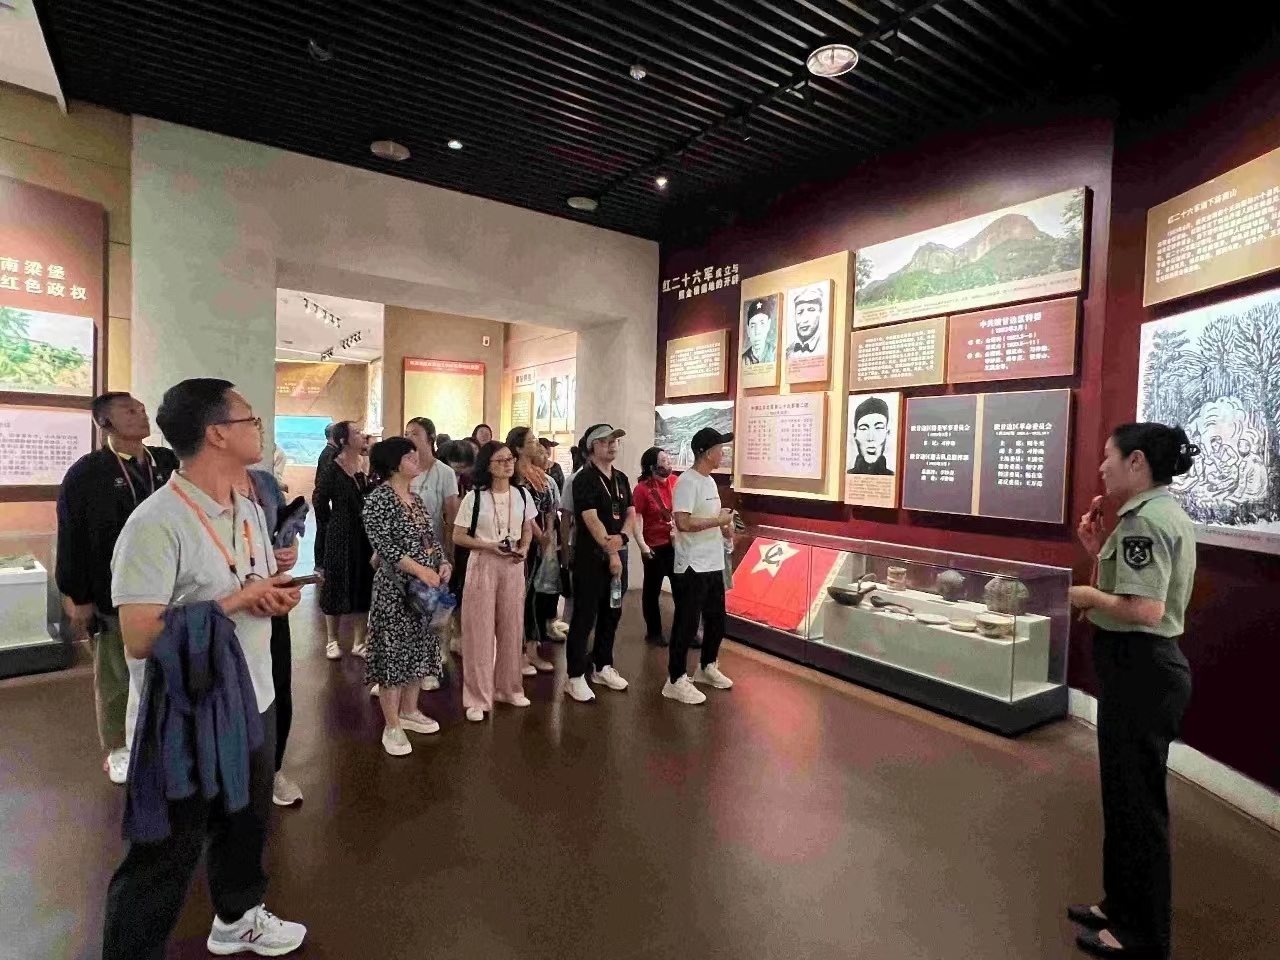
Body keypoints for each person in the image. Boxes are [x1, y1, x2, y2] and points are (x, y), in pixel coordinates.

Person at [102, 378, 306, 958]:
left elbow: (250, 582)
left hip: (254, 696)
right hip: (187, 712)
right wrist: (238, 600)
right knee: (166, 851)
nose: (259, 427)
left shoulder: (248, 509)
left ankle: (237, 918)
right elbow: (140, 636)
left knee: (246, 821)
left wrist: (271, 594)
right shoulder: (156, 523)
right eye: (249, 418)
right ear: (217, 434)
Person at [1067, 423, 1199, 960]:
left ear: (1137, 461)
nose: (1102, 467)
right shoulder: (1150, 514)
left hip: (1142, 671)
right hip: (1135, 671)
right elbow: (1133, 588)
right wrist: (1097, 549)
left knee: (1139, 809)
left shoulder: (1145, 519)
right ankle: (1119, 906)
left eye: (1110, 457)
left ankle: (1143, 936)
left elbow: (1145, 609)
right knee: (1122, 797)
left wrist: (1085, 595)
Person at [56, 392, 178, 785]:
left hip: (169, 585)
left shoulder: (167, 462)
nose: (141, 414)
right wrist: (77, 594)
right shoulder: (86, 473)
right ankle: (118, 747)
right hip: (113, 590)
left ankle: (163, 738)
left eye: (141, 409)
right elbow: (71, 536)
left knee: (166, 666)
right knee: (115, 673)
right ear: (104, 423)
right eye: (129, 411)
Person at [361, 437, 450, 756]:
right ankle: (392, 724)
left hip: (425, 590)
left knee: (419, 648)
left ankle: (410, 711)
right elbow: (384, 546)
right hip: (395, 589)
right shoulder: (379, 499)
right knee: (393, 652)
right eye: (409, 456)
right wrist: (419, 569)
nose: (416, 460)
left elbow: (430, 538)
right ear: (394, 463)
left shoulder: (416, 499)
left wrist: (442, 561)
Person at [453, 441, 536, 721]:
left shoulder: (522, 494)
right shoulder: (474, 498)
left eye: (510, 459)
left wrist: (524, 548)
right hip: (484, 563)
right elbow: (458, 536)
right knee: (479, 631)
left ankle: (509, 688)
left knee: (512, 627)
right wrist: (488, 545)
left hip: (513, 565)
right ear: (487, 466)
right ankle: (477, 697)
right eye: (500, 461)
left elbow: (527, 528)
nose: (508, 464)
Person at [236, 466, 303, 808]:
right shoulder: (199, 490)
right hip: (229, 607)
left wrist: (289, 550)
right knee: (230, 694)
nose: (258, 438)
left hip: (271, 599)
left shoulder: (263, 482)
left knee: (277, 686)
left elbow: (284, 532)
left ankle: (273, 769)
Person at [564, 424, 637, 702]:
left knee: (612, 612)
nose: (612, 445)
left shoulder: (621, 478)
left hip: (618, 552)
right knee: (585, 616)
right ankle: (574, 676)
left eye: (615, 441)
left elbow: (631, 513)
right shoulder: (584, 479)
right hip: (592, 558)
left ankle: (602, 665)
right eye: (605, 441)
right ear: (592, 446)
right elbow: (591, 519)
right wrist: (612, 551)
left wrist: (623, 538)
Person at [666, 428, 736, 705]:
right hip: (692, 564)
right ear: (706, 453)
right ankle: (675, 679)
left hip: (713, 562)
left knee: (717, 620)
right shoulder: (687, 482)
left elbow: (711, 518)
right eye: (719, 449)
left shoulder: (710, 482)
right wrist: (718, 521)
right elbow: (683, 522)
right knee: (686, 623)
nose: (723, 453)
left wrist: (725, 527)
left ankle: (707, 666)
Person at [406, 417, 461, 688]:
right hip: (405, 552)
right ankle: (408, 665)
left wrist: (448, 554)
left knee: (432, 610)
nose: (409, 437)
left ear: (430, 438)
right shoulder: (404, 468)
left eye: (415, 433)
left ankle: (433, 663)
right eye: (406, 433)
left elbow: (451, 516)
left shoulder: (444, 473)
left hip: (433, 550)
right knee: (407, 610)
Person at [312, 422, 373, 660]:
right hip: (339, 532)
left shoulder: (366, 464)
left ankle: (359, 641)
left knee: (362, 583)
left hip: (363, 533)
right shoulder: (332, 467)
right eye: (356, 433)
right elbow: (319, 499)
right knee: (335, 583)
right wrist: (328, 524)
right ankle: (332, 640)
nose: (362, 435)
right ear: (344, 440)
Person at [508, 427, 558, 672]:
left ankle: (531, 649)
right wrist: (539, 535)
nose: (536, 445)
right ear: (518, 447)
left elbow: (548, 508)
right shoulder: (513, 478)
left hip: (538, 544)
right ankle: (518, 654)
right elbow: (521, 513)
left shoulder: (541, 476)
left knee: (535, 598)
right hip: (518, 543)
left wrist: (548, 532)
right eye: (531, 441)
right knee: (521, 598)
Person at [633, 446, 676, 646]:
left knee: (682, 589)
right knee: (652, 591)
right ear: (652, 467)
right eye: (664, 461)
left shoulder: (675, 482)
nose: (669, 463)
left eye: (668, 459)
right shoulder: (642, 489)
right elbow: (637, 518)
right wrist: (642, 545)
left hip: (675, 545)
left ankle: (686, 630)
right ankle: (654, 632)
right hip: (654, 546)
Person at [847, 396, 895, 475]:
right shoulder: (846, 476)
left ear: (887, 433)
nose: (871, 438)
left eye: (878, 428)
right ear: (855, 435)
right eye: (863, 429)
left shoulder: (894, 477)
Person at [785, 283, 827, 357]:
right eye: (799, 312)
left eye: (811, 310)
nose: (804, 320)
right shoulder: (788, 351)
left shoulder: (824, 346)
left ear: (820, 312)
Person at [741, 298, 776, 365]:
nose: (757, 332)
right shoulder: (743, 360)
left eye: (762, 324)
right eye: (753, 326)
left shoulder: (775, 354)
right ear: (748, 330)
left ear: (768, 325)